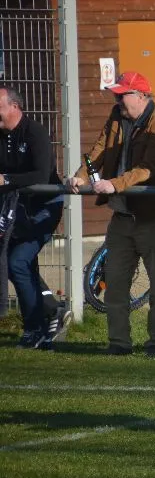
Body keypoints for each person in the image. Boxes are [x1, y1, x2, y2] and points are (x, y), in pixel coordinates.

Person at [66, 71, 155, 358]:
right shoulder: (116, 116)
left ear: (141, 96)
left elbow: (148, 168)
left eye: (122, 94)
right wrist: (80, 176)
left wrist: (114, 184)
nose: (117, 100)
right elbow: (98, 150)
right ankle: (119, 343)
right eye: (115, 94)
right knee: (115, 283)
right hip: (122, 217)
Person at [0, 85, 69, 350]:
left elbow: (41, 175)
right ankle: (51, 309)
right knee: (16, 263)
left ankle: (34, 328)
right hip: (15, 208)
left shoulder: (35, 133)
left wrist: (7, 180)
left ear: (14, 107)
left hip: (44, 207)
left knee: (17, 261)